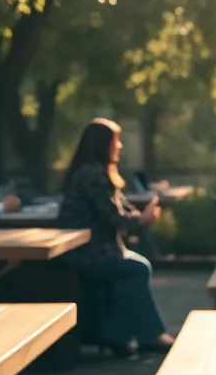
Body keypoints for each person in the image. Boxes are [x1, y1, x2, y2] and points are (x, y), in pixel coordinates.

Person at [56, 117, 173, 357]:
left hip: (95, 249)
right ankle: (140, 336)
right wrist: (144, 219)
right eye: (115, 141)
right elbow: (117, 219)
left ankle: (120, 336)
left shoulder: (94, 172)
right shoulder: (93, 175)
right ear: (103, 144)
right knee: (137, 269)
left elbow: (122, 209)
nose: (119, 147)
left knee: (135, 268)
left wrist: (140, 215)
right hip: (86, 253)